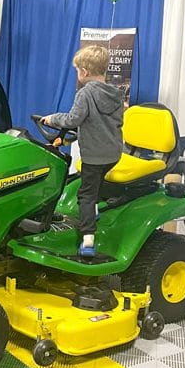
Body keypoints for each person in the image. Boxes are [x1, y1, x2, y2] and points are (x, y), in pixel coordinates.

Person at [41, 45, 124, 257]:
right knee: (97, 183)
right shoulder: (116, 94)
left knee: (85, 195)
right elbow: (113, 122)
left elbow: (73, 119)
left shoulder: (85, 93)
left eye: (78, 70)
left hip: (94, 156)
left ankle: (88, 239)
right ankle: (95, 210)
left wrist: (52, 119)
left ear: (84, 72)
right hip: (113, 153)